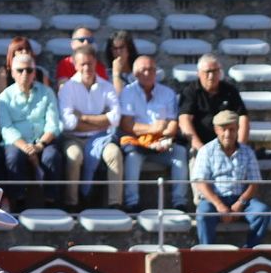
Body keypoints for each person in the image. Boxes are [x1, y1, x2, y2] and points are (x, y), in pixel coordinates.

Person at [192, 108, 268, 247]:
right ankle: (207, 251)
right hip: (214, 199)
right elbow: (201, 183)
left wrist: (240, 203)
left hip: (241, 198)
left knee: (262, 212)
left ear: (238, 129)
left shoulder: (247, 152)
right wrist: (219, 205)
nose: (228, 134)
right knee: (203, 214)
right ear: (216, 130)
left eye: (232, 129)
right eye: (223, 129)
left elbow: (254, 182)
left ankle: (249, 251)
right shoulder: (206, 151)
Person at [117, 56, 186, 211]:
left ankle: (179, 202)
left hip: (162, 144)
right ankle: (132, 202)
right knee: (133, 157)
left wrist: (164, 138)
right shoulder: (128, 92)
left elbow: (172, 124)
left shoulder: (167, 93)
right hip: (137, 144)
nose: (148, 73)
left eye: (152, 69)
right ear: (135, 74)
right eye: (144, 70)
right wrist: (154, 129)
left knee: (180, 152)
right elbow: (126, 125)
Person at [58, 47, 121, 208]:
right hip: (74, 139)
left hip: (101, 138)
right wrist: (102, 119)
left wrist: (83, 117)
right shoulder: (67, 88)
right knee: (74, 156)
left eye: (90, 63)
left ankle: (115, 204)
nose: (87, 68)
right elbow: (68, 123)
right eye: (83, 64)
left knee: (114, 153)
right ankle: (72, 203)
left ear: (95, 63)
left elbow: (115, 119)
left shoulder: (106, 86)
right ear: (76, 65)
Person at [0, 49, 61, 207]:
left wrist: (40, 145)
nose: (25, 73)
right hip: (18, 143)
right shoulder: (4, 97)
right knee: (13, 157)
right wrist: (25, 146)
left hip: (43, 141)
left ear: (34, 72)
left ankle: (51, 202)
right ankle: (18, 200)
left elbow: (54, 123)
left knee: (51, 157)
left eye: (29, 70)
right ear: (12, 73)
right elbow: (6, 128)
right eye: (20, 70)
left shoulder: (47, 92)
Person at [178, 54, 247, 157]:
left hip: (228, 146)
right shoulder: (190, 92)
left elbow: (243, 118)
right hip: (199, 146)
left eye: (215, 71)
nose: (211, 76)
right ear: (199, 73)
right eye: (207, 72)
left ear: (220, 72)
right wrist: (201, 149)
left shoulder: (230, 91)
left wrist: (240, 146)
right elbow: (184, 120)